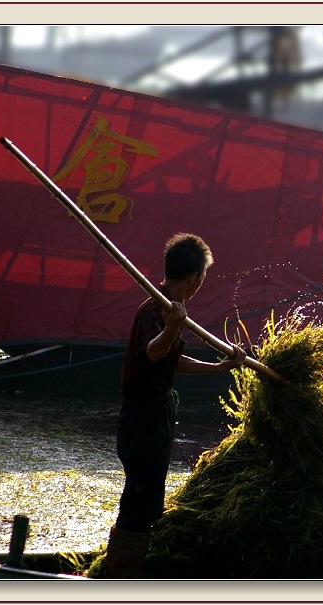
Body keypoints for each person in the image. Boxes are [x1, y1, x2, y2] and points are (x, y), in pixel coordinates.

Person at [105, 233, 246, 578]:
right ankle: (121, 575)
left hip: (159, 412)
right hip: (143, 417)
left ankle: (138, 568)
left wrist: (217, 367)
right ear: (196, 277)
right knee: (141, 495)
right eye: (204, 277)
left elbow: (171, 360)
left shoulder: (172, 312)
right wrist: (171, 327)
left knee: (151, 495)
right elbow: (154, 351)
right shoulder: (156, 309)